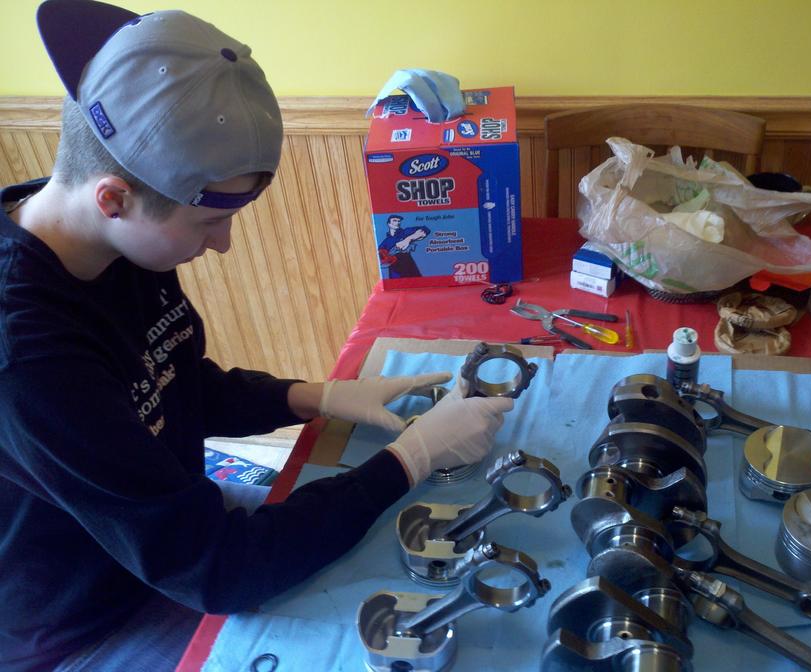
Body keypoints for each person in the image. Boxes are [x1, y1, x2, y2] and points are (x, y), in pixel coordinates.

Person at [0, 2, 514, 671]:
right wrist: (412, 459)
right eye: (206, 224)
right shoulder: (29, 359)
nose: (222, 244)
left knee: (355, 538)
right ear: (113, 199)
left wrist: (314, 396)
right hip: (89, 620)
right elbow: (219, 570)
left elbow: (169, 383)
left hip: (167, 527)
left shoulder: (108, 239)